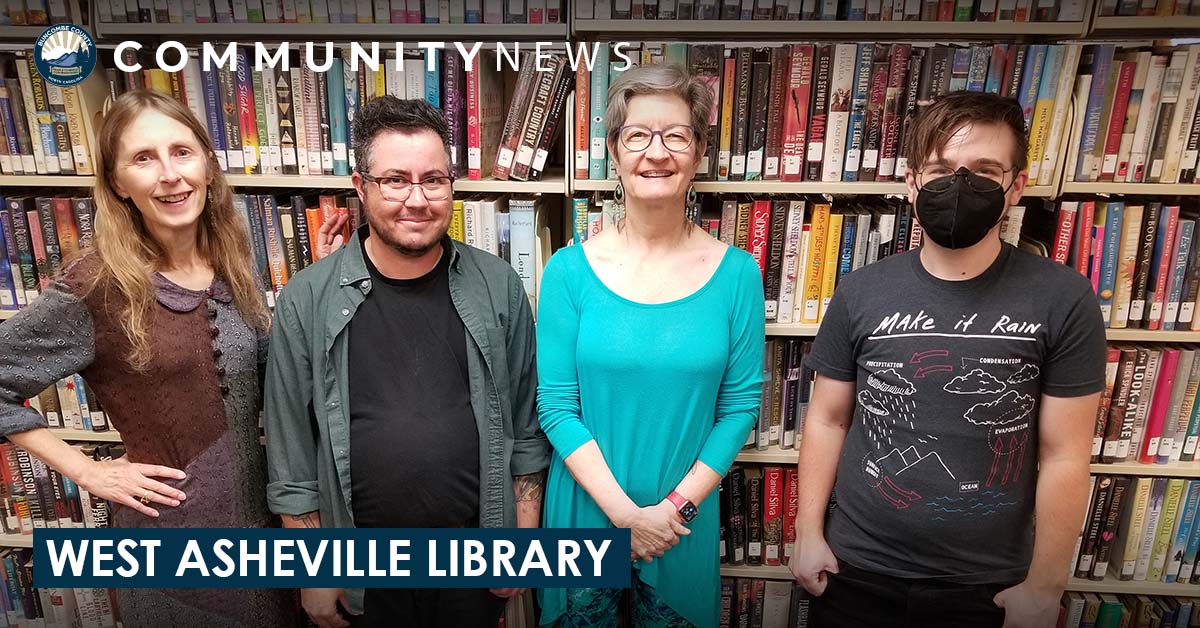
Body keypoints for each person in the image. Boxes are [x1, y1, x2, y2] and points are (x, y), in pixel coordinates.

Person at [789, 90, 1106, 628]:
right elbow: (827, 417)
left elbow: (1065, 455)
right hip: (856, 570)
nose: (960, 185)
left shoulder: (1064, 299)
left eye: (985, 170)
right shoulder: (861, 291)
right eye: (941, 169)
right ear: (912, 182)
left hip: (989, 586)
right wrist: (807, 533)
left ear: (1017, 186)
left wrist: (1045, 586)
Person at [0, 90, 298, 627]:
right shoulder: (97, 285)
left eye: (181, 152)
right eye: (143, 158)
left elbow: (273, 380)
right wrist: (85, 471)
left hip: (262, 535)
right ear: (117, 185)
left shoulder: (234, 258)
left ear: (207, 163)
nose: (169, 174)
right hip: (168, 548)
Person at [262, 95, 548, 628]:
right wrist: (313, 571)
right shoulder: (308, 299)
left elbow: (526, 429)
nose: (417, 199)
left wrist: (521, 541)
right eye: (395, 180)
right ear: (360, 187)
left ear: (451, 187)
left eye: (433, 179)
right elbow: (291, 452)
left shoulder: (498, 286)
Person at [537, 64, 765, 628]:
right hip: (586, 519)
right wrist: (625, 517)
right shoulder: (568, 271)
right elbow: (557, 407)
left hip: (679, 528)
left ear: (698, 152)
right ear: (614, 150)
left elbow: (738, 411)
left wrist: (669, 512)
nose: (656, 152)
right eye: (638, 135)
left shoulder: (738, 274)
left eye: (676, 136)